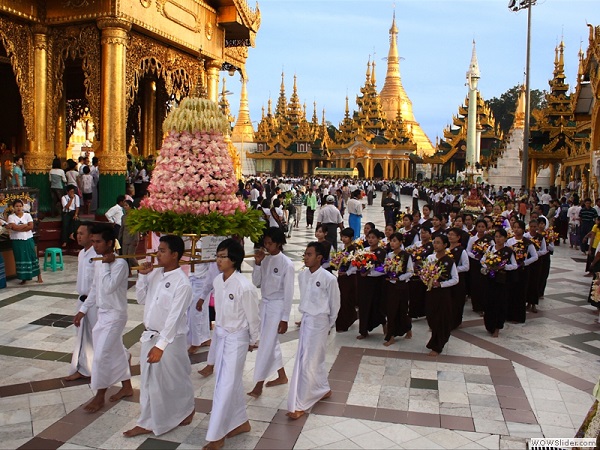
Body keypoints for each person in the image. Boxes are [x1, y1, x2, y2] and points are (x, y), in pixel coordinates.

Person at [124, 235, 195, 437]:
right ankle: (147, 421)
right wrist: (143, 276)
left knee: (175, 379)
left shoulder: (182, 284)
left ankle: (187, 408)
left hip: (170, 340)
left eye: (162, 251)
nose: (158, 254)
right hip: (150, 335)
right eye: (158, 249)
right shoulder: (155, 274)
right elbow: (140, 299)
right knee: (148, 380)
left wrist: (161, 346)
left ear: (175, 255)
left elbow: (173, 318)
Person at [203, 239, 259, 450]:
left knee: (225, 386)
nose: (218, 260)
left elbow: (253, 317)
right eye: (217, 256)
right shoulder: (218, 281)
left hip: (237, 338)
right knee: (226, 381)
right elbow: (219, 314)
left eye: (222, 256)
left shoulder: (245, 287)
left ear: (234, 259)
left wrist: (253, 339)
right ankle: (240, 422)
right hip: (222, 334)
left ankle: (217, 435)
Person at [73, 224, 132, 413]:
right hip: (102, 313)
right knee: (115, 352)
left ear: (109, 243)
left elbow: (108, 288)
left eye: (98, 242)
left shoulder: (120, 264)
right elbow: (95, 288)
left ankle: (99, 397)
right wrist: (83, 310)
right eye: (93, 241)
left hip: (115, 315)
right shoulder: (99, 261)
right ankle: (127, 387)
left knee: (100, 357)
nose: (95, 245)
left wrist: (107, 265)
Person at [287, 241, 340, 420]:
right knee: (308, 358)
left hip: (320, 322)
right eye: (305, 254)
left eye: (309, 254)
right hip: (307, 320)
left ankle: (302, 402)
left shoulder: (329, 278)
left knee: (310, 360)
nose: (305, 257)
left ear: (319, 257)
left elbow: (335, 304)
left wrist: (328, 324)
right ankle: (322, 388)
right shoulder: (302, 276)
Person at [248, 227, 294, 398]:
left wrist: (285, 318)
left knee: (266, 344)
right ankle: (282, 376)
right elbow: (256, 282)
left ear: (279, 243)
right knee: (270, 341)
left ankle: (258, 384)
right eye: (265, 243)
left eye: (270, 243)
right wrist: (258, 264)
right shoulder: (265, 260)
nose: (267, 246)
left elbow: (288, 293)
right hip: (265, 305)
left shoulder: (286, 264)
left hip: (277, 307)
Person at [65, 223, 97, 381]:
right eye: (77, 233)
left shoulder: (97, 254)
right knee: (82, 336)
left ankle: (121, 356)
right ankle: (85, 368)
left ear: (91, 236)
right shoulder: (81, 254)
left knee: (97, 335)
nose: (78, 236)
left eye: (82, 233)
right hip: (82, 299)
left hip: (94, 302)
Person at [424, 234, 458, 356]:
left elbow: (455, 279)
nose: (436, 245)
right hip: (431, 292)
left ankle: (437, 346)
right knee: (431, 316)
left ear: (444, 245)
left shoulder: (449, 261)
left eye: (438, 243)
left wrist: (441, 284)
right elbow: (425, 271)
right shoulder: (430, 258)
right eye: (434, 242)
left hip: (443, 293)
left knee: (440, 319)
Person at [481, 228, 518, 337]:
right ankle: (489, 324)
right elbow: (483, 260)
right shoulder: (490, 248)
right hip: (489, 279)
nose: (498, 239)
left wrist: (503, 267)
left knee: (500, 303)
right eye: (496, 236)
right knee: (489, 302)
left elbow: (514, 265)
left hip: (502, 281)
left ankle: (497, 326)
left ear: (505, 238)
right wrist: (488, 265)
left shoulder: (508, 251)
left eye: (500, 237)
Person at [382, 232, 414, 346]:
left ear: (400, 242)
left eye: (395, 241)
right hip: (391, 286)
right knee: (391, 311)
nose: (392, 243)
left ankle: (407, 328)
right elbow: (385, 268)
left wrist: (399, 278)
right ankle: (391, 336)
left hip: (402, 287)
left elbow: (410, 272)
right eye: (391, 240)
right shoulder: (389, 255)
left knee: (402, 310)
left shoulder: (406, 256)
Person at [356, 229, 387, 339]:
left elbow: (383, 269)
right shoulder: (364, 251)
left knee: (377, 305)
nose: (370, 240)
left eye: (373, 238)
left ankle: (384, 324)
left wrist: (370, 272)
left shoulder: (381, 252)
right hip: (364, 283)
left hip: (376, 283)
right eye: (369, 237)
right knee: (364, 306)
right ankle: (363, 331)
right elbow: (358, 264)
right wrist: (362, 269)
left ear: (378, 239)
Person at [507, 220, 538, 323]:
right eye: (514, 227)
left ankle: (518, 317)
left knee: (520, 294)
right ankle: (509, 315)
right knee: (510, 292)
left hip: (523, 271)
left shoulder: (528, 243)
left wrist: (525, 263)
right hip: (512, 270)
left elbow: (535, 256)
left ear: (523, 229)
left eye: (518, 227)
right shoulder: (510, 241)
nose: (516, 229)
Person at [7, 199, 42, 285]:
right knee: (21, 258)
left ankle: (39, 276)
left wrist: (19, 227)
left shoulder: (27, 215)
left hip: (28, 239)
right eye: (16, 206)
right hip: (17, 241)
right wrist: (24, 226)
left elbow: (30, 227)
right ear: (13, 207)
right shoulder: (11, 217)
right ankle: (24, 278)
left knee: (32, 257)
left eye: (20, 206)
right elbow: (14, 228)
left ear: (23, 207)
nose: (18, 208)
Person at [188, 261, 220, 355]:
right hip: (189, 277)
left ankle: (197, 341)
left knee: (197, 312)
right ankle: (203, 338)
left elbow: (213, 265)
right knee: (192, 311)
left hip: (202, 280)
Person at [335, 227, 358, 332]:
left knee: (346, 299)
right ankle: (347, 318)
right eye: (342, 237)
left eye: (346, 237)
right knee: (341, 299)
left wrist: (347, 272)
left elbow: (355, 265)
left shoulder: (354, 249)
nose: (343, 239)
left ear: (351, 238)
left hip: (349, 277)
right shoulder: (342, 248)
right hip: (342, 277)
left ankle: (345, 322)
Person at [447, 227, 469, 329]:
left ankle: (455, 322)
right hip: (447, 279)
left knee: (457, 301)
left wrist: (454, 269)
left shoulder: (461, 251)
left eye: (452, 235)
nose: (450, 236)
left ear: (458, 237)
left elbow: (466, 266)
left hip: (458, 279)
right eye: (449, 234)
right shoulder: (446, 249)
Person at [117, 200, 139, 275]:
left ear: (130, 206)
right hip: (125, 239)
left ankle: (138, 267)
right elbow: (122, 228)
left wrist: (136, 239)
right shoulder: (123, 217)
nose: (125, 207)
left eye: (126, 205)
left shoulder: (134, 216)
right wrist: (119, 238)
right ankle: (128, 271)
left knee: (130, 256)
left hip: (133, 238)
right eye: (124, 206)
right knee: (124, 257)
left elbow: (136, 229)